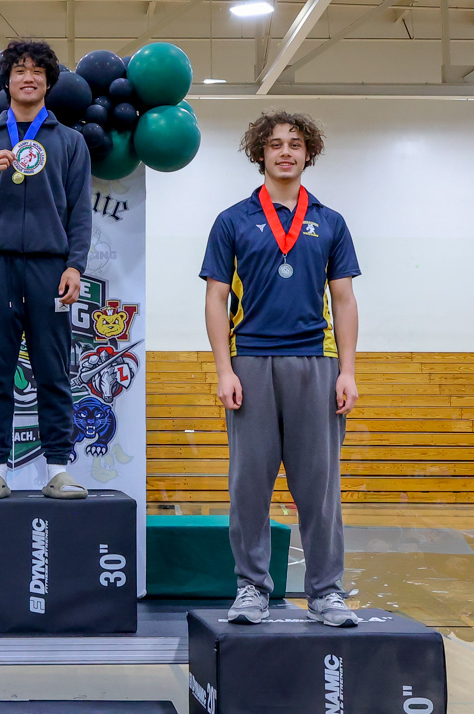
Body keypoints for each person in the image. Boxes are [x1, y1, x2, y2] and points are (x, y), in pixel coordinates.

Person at [200, 111, 361, 627]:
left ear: (308, 153)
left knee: (320, 487)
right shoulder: (232, 220)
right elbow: (216, 298)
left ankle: (326, 593)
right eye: (274, 144)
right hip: (250, 362)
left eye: (295, 144)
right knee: (249, 485)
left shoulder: (331, 221)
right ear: (260, 154)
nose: (285, 151)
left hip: (316, 361)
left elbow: (344, 300)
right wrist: (224, 371)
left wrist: (347, 371)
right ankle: (251, 588)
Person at [0, 40, 92, 500]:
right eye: (19, 71)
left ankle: (58, 469)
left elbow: (80, 212)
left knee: (53, 368)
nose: (28, 78)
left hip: (50, 268)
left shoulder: (69, 141)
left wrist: (75, 266)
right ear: (7, 81)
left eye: (36, 71)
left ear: (48, 82)